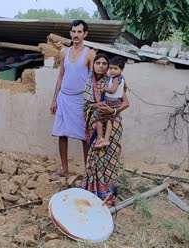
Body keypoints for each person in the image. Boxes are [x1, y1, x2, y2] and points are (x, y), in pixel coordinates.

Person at [81, 53, 130, 206]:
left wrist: (113, 111)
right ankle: (92, 192)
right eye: (98, 63)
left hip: (113, 122)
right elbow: (86, 106)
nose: (101, 66)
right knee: (94, 157)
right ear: (93, 65)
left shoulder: (114, 81)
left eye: (104, 63)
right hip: (95, 124)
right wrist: (96, 106)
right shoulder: (89, 83)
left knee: (110, 156)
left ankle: (108, 194)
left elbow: (126, 103)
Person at [50, 19, 96, 178]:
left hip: (80, 100)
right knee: (62, 134)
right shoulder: (64, 52)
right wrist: (54, 98)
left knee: (85, 136)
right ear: (70, 33)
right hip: (64, 98)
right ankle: (64, 168)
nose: (76, 35)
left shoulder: (90, 53)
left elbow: (93, 80)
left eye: (79, 32)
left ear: (85, 34)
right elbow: (61, 75)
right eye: (74, 31)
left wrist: (91, 102)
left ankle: (88, 170)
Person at [94, 56, 126, 148]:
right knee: (106, 121)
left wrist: (105, 89)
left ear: (122, 69)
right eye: (111, 68)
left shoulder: (116, 78)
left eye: (115, 68)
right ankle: (103, 139)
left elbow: (112, 90)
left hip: (112, 104)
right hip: (109, 102)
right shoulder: (113, 78)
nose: (112, 71)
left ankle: (103, 139)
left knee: (103, 120)